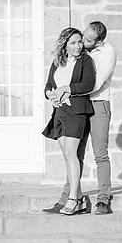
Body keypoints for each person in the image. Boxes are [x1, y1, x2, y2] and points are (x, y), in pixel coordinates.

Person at [44, 21, 117, 215]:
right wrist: (57, 93)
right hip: (77, 105)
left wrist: (67, 91)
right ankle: (70, 198)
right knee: (75, 154)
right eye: (81, 37)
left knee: (100, 153)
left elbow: (95, 82)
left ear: (99, 41)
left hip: (98, 103)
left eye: (87, 40)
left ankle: (103, 199)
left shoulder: (107, 52)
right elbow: (58, 78)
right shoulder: (79, 53)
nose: (82, 42)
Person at [41, 27, 96, 216]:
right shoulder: (57, 62)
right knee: (67, 156)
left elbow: (89, 84)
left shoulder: (86, 61)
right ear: (64, 44)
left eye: (80, 42)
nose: (78, 46)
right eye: (73, 42)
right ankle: (79, 199)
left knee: (72, 155)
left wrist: (67, 88)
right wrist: (50, 94)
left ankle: (72, 199)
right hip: (59, 112)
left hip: (76, 111)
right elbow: (48, 86)